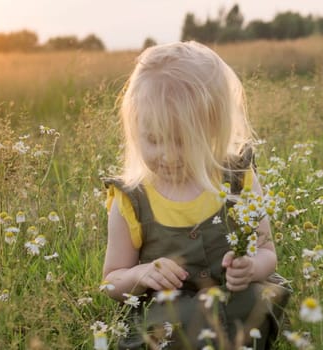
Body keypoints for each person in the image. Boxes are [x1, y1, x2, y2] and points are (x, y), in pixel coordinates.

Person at [101, 41, 288, 350]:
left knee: (255, 302)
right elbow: (111, 281)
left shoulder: (238, 180)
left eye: (182, 141)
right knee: (176, 325)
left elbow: (267, 252)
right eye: (153, 139)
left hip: (235, 298)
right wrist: (142, 273)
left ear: (215, 130)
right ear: (135, 130)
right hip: (172, 309)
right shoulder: (131, 200)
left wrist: (251, 268)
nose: (168, 156)